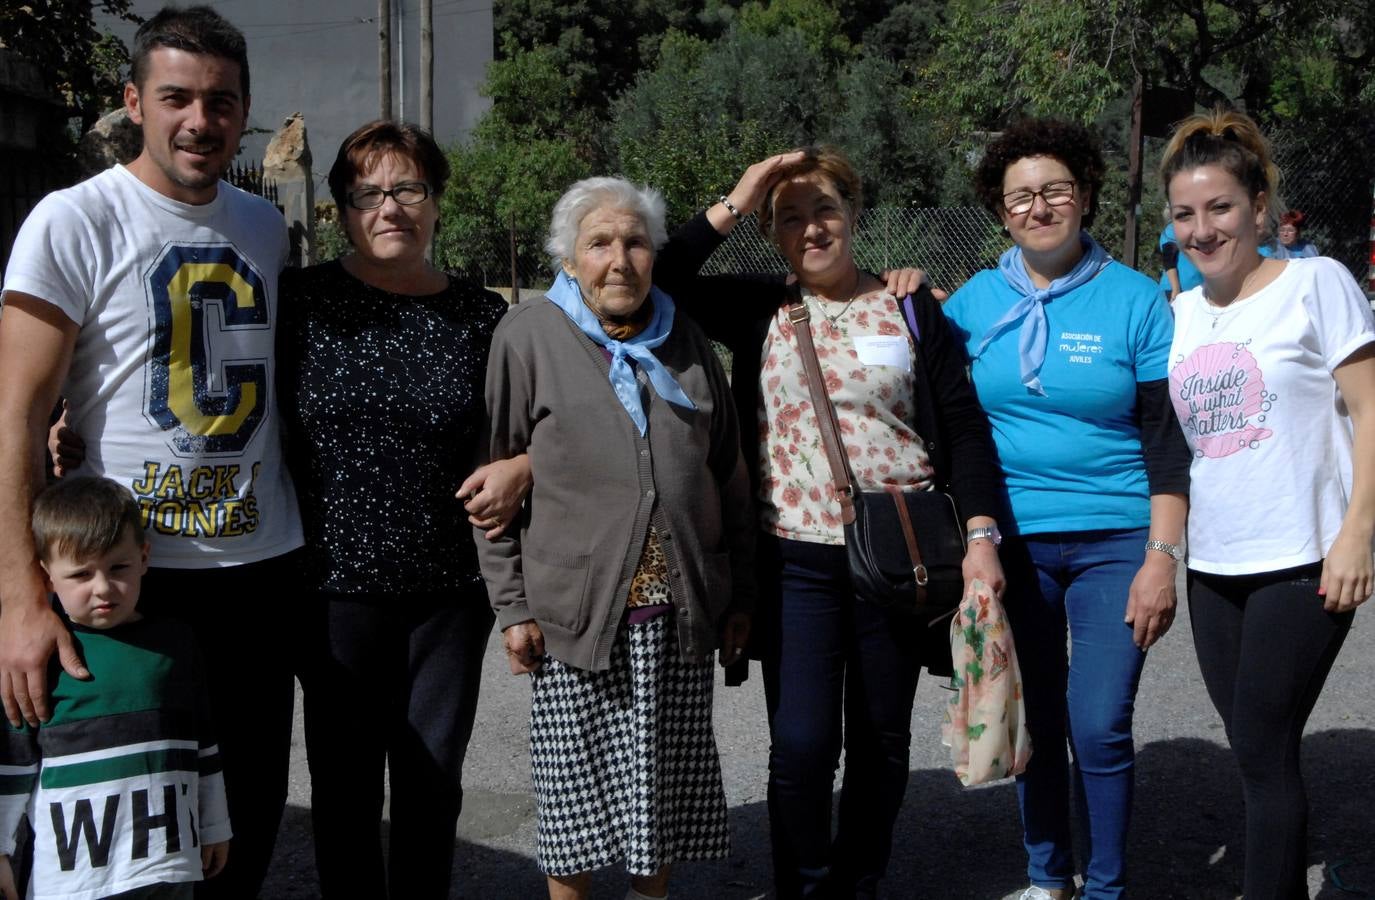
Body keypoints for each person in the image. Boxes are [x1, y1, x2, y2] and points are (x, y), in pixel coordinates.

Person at [652, 147, 1006, 898]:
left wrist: (980, 537)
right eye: (789, 218)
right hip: (795, 562)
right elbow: (659, 275)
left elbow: (964, 429)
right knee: (803, 745)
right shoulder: (760, 307)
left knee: (879, 741)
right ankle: (803, 888)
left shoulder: (912, 308)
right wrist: (740, 194)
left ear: (852, 216)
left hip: (900, 555)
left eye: (823, 210)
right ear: (772, 235)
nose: (810, 229)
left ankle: (859, 881)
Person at [0, 8, 299, 895]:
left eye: (220, 102)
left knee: (238, 823)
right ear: (133, 100)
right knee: (113, 846)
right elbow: (15, 414)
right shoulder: (72, 220)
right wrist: (19, 595)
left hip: (258, 567)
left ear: (244, 112)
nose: (199, 122)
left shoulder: (265, 227)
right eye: (176, 98)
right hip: (126, 577)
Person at [475, 176, 755, 900]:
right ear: (569, 260)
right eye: (598, 243)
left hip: (678, 616)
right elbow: (492, 487)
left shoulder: (685, 339)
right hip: (576, 617)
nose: (619, 259)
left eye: (634, 242)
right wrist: (513, 609)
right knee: (573, 812)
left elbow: (725, 473)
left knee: (656, 799)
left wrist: (738, 593)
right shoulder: (528, 336)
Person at [942, 119, 1190, 900]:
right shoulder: (972, 304)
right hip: (1012, 541)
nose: (1038, 206)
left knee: (1098, 722)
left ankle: (1108, 889)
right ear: (999, 209)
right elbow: (951, 423)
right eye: (1020, 195)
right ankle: (1047, 878)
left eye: (1054, 190)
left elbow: (1164, 435)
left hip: (1116, 540)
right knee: (1034, 719)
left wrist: (1161, 556)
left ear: (1082, 195)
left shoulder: (1137, 299)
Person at [277, 120, 523, 898]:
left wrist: (524, 464)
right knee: (346, 792)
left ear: (437, 201)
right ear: (341, 211)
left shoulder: (485, 318)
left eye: (408, 188)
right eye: (368, 193)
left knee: (431, 786)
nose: (390, 208)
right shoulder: (300, 304)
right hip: (330, 590)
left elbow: (570, 414)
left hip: (449, 595)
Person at [1160, 109, 1375, 900]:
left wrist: (1357, 536)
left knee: (1256, 742)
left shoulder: (1317, 283)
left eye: (1219, 207)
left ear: (1258, 207)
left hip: (1303, 555)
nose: (1201, 228)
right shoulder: (1178, 315)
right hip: (1214, 564)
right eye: (1183, 214)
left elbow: (1371, 410)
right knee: (1262, 749)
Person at [0, 477, 230, 900]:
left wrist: (214, 826)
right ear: (47, 577)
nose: (103, 587)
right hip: (74, 882)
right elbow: (14, 765)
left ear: (144, 557)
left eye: (118, 567)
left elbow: (204, 744)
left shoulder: (177, 644)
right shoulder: (43, 656)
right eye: (82, 574)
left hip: (168, 867)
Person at [1158, 220, 1202, 300]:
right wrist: (1176, 290)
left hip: (1200, 289)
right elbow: (1169, 260)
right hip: (1174, 290)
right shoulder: (1172, 228)